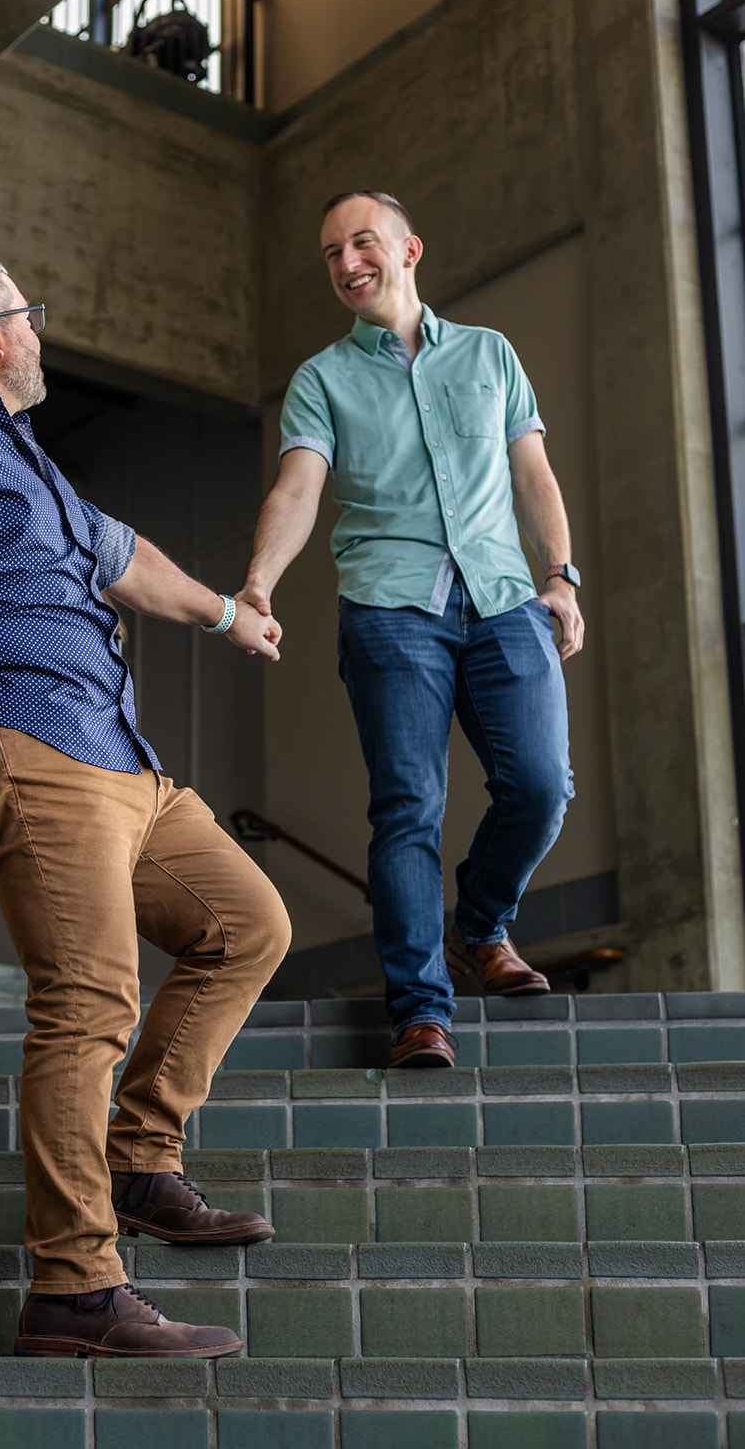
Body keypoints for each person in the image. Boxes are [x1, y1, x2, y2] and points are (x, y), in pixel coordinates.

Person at [0, 250, 292, 1358]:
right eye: (28, 316)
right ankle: (74, 1287)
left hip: (115, 754)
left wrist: (229, 615)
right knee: (89, 999)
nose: (40, 332)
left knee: (246, 926)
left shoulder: (20, 459)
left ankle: (138, 1160)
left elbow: (123, 558)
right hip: (19, 741)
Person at [239, 191, 582, 1070]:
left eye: (362, 243)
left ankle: (479, 927)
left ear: (408, 249)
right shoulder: (323, 379)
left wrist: (561, 577)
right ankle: (421, 1012)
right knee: (407, 810)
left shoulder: (488, 355)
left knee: (541, 783)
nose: (347, 263)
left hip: (505, 599)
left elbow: (532, 472)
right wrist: (257, 586)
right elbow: (298, 489)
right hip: (392, 611)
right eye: (330, 254)